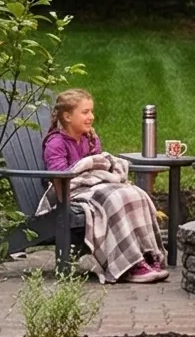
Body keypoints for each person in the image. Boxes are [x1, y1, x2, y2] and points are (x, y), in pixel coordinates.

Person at [42, 89, 170, 283]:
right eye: (85, 112)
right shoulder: (56, 143)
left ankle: (147, 254)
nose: (91, 117)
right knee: (114, 200)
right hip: (71, 194)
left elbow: (99, 167)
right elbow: (60, 178)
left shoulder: (90, 138)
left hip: (96, 185)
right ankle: (129, 265)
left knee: (136, 194)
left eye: (91, 111)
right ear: (67, 116)